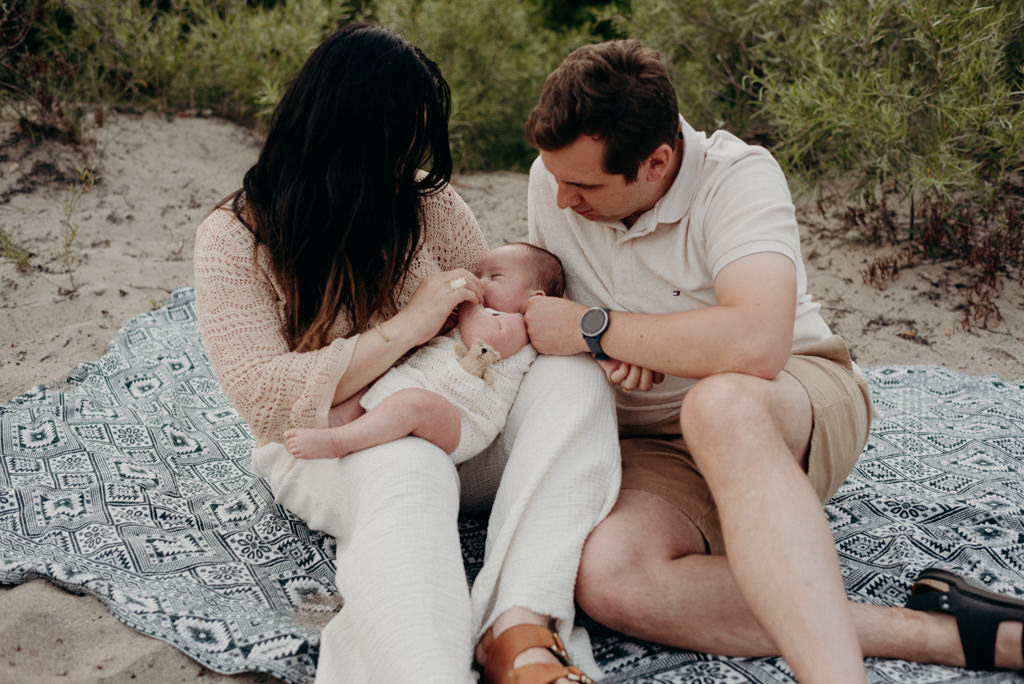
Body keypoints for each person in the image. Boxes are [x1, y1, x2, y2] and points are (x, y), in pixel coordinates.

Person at [520, 38, 1024, 683]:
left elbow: (757, 344)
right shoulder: (553, 181)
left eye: (582, 185)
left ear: (655, 163)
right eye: (555, 177)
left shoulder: (738, 176)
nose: (561, 199)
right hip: (649, 442)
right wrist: (606, 344)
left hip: (785, 400)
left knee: (721, 403)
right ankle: (944, 633)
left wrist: (602, 330)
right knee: (612, 579)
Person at [193, 23, 619, 684]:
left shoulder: (426, 200)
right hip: (342, 440)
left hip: (464, 417)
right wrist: (408, 328)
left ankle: (520, 626)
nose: (409, 161)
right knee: (410, 463)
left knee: (573, 380)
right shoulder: (234, 236)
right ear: (342, 133)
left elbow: (496, 307)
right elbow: (264, 394)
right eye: (397, 141)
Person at [283, 242, 564, 464]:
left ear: (534, 298)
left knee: (412, 405)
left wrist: (468, 305)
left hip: (462, 420)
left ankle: (339, 443)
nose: (481, 282)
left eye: (495, 277)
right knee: (371, 387)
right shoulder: (484, 315)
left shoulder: (519, 325)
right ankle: (331, 424)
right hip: (419, 385)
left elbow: (485, 338)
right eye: (480, 275)